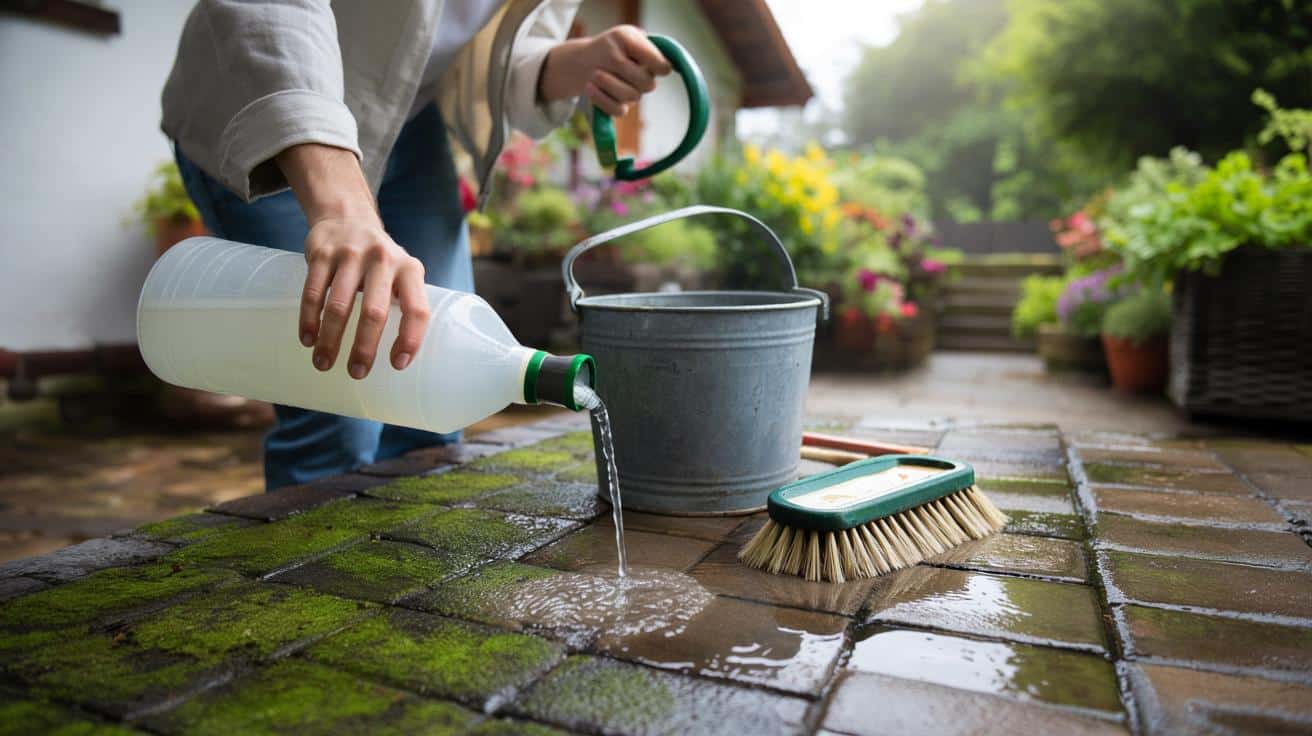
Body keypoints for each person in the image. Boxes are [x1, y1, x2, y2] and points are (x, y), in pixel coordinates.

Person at [161, 1, 671, 490]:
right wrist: (343, 209)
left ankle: (399, 570)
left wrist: (575, 62)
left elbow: (487, 52)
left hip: (409, 118)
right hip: (270, 101)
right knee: (337, 417)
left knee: (431, 405)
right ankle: (313, 574)